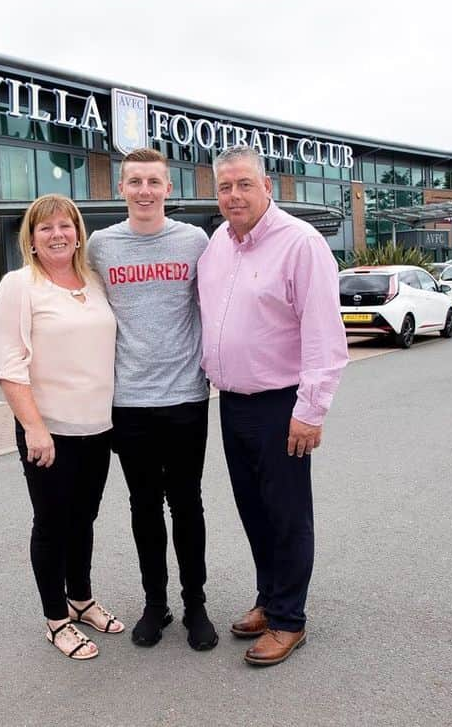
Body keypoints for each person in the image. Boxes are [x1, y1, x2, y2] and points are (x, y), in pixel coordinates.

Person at [197, 146, 348, 666]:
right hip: (232, 402)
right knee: (253, 511)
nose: (233, 195)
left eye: (243, 184)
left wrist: (311, 410)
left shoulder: (300, 244)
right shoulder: (218, 243)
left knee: (286, 515)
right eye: (224, 187)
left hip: (282, 404)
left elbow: (325, 335)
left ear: (268, 185)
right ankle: (269, 597)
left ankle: (289, 619)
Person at [87, 148, 218, 651]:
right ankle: (155, 604)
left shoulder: (193, 241)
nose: (145, 190)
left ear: (168, 189)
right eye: (135, 181)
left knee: (187, 503)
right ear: (122, 189)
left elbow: (218, 303)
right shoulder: (101, 246)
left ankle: (195, 605)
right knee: (143, 506)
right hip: (129, 402)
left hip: (186, 397)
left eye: (154, 182)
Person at [0, 193, 124, 661]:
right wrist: (34, 427)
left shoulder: (92, 280)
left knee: (83, 518)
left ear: (78, 233)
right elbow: (8, 364)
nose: (57, 234)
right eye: (45, 228)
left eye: (65, 226)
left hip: (97, 428)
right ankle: (56, 620)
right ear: (31, 238)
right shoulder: (19, 285)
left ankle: (80, 599)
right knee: (51, 524)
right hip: (50, 431)